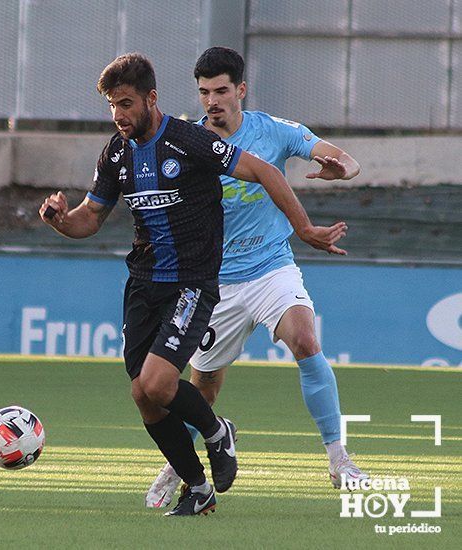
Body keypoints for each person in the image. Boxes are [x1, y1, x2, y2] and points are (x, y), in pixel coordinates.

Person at [40, 53, 347, 516]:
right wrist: (61, 221)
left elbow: (264, 171)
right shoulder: (116, 152)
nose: (119, 115)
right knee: (145, 395)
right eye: (111, 105)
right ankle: (198, 488)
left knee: (162, 383)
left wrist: (304, 229)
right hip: (144, 285)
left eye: (126, 103)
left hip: (194, 282)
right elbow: (90, 217)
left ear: (151, 98)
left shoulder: (191, 141)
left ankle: (225, 434)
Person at [145, 46, 368, 509]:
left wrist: (340, 168)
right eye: (204, 92)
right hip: (214, 282)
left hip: (270, 268)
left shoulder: (273, 130)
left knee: (305, 339)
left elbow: (341, 156)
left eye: (222, 91)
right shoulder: (187, 142)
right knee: (202, 386)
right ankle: (180, 462)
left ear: (240, 90)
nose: (213, 101)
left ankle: (339, 459)